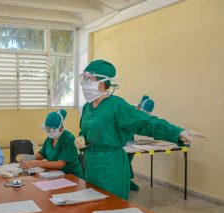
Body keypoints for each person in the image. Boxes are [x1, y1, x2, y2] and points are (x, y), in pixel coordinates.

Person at [75, 59, 193, 200]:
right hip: (91, 165)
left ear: (102, 82)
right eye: (84, 79)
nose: (85, 83)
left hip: (111, 165)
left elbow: (146, 122)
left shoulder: (117, 106)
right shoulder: (87, 107)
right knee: (91, 206)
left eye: (88, 79)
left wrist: (176, 132)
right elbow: (86, 129)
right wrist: (81, 137)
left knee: (111, 209)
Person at [20, 109, 84, 179]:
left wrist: (36, 163)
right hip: (55, 173)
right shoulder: (50, 137)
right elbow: (42, 154)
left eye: (51, 130)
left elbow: (60, 164)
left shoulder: (69, 139)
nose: (49, 132)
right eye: (47, 129)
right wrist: (28, 159)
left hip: (71, 176)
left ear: (60, 128)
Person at [129, 96, 155, 191]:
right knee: (125, 159)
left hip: (133, 139)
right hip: (124, 137)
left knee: (129, 158)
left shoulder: (146, 110)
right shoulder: (131, 109)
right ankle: (125, 181)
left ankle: (128, 180)